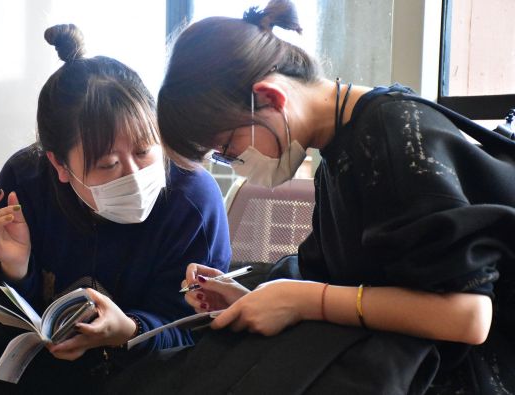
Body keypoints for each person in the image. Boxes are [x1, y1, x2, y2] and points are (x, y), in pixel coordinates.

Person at [106, 1, 515, 394]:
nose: (235, 163)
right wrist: (254, 299)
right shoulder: (340, 147)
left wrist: (303, 300)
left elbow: (468, 316)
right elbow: (340, 281)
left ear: (270, 98)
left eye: (228, 149)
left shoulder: (392, 139)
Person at [0, 24, 231, 394]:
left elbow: (198, 328)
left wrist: (128, 330)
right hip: (36, 361)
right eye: (108, 165)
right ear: (60, 166)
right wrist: (13, 271)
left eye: (144, 150)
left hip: (140, 364)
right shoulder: (25, 181)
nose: (135, 175)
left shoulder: (192, 196)